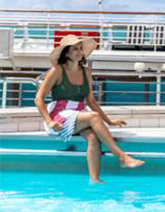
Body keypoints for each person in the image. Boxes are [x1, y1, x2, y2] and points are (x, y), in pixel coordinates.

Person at [35, 35, 144, 183]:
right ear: (66, 53)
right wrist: (49, 121)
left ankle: (94, 180)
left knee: (93, 138)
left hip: (79, 115)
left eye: (81, 49)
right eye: (75, 49)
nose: (79, 52)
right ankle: (122, 157)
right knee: (92, 117)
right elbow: (38, 98)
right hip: (59, 117)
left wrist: (109, 121)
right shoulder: (57, 70)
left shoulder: (86, 71)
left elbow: (91, 101)